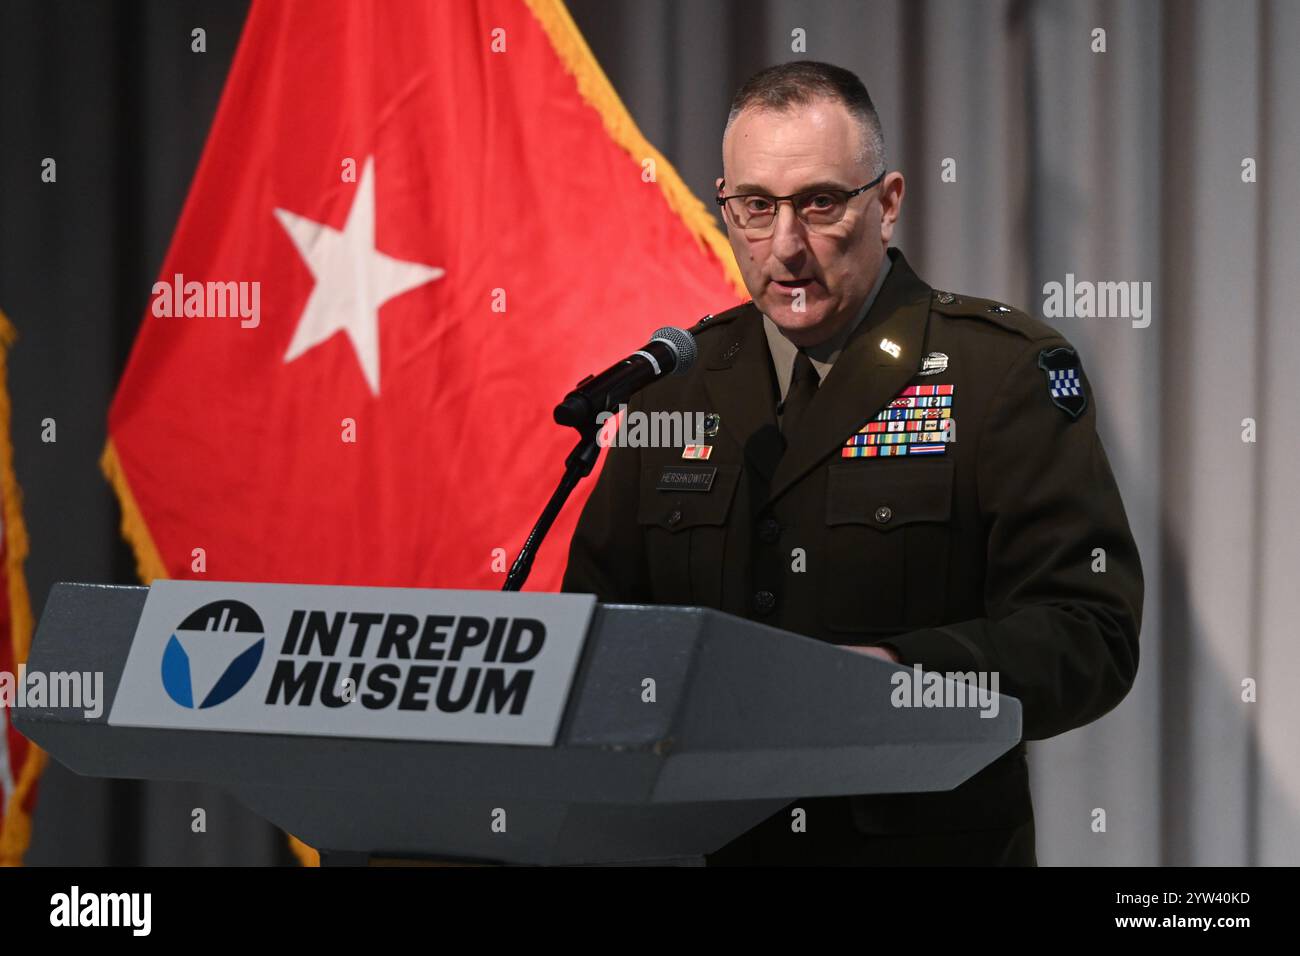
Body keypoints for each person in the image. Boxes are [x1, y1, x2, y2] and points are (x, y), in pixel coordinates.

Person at [561, 60, 1143, 865]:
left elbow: (1090, 635)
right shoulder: (674, 386)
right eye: (756, 208)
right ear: (725, 203)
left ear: (888, 203)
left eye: (821, 204)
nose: (786, 246)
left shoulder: (998, 373)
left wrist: (900, 673)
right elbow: (597, 631)